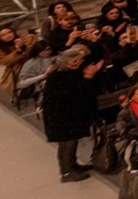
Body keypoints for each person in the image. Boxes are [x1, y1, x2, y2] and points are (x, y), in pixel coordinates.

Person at [41, 47, 99, 181]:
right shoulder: (57, 77)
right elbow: (75, 94)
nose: (78, 64)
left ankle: (72, 165)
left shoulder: (73, 72)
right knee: (68, 142)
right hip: (60, 115)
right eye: (74, 62)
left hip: (71, 113)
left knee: (71, 141)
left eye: (79, 60)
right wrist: (88, 77)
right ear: (64, 62)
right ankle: (67, 172)